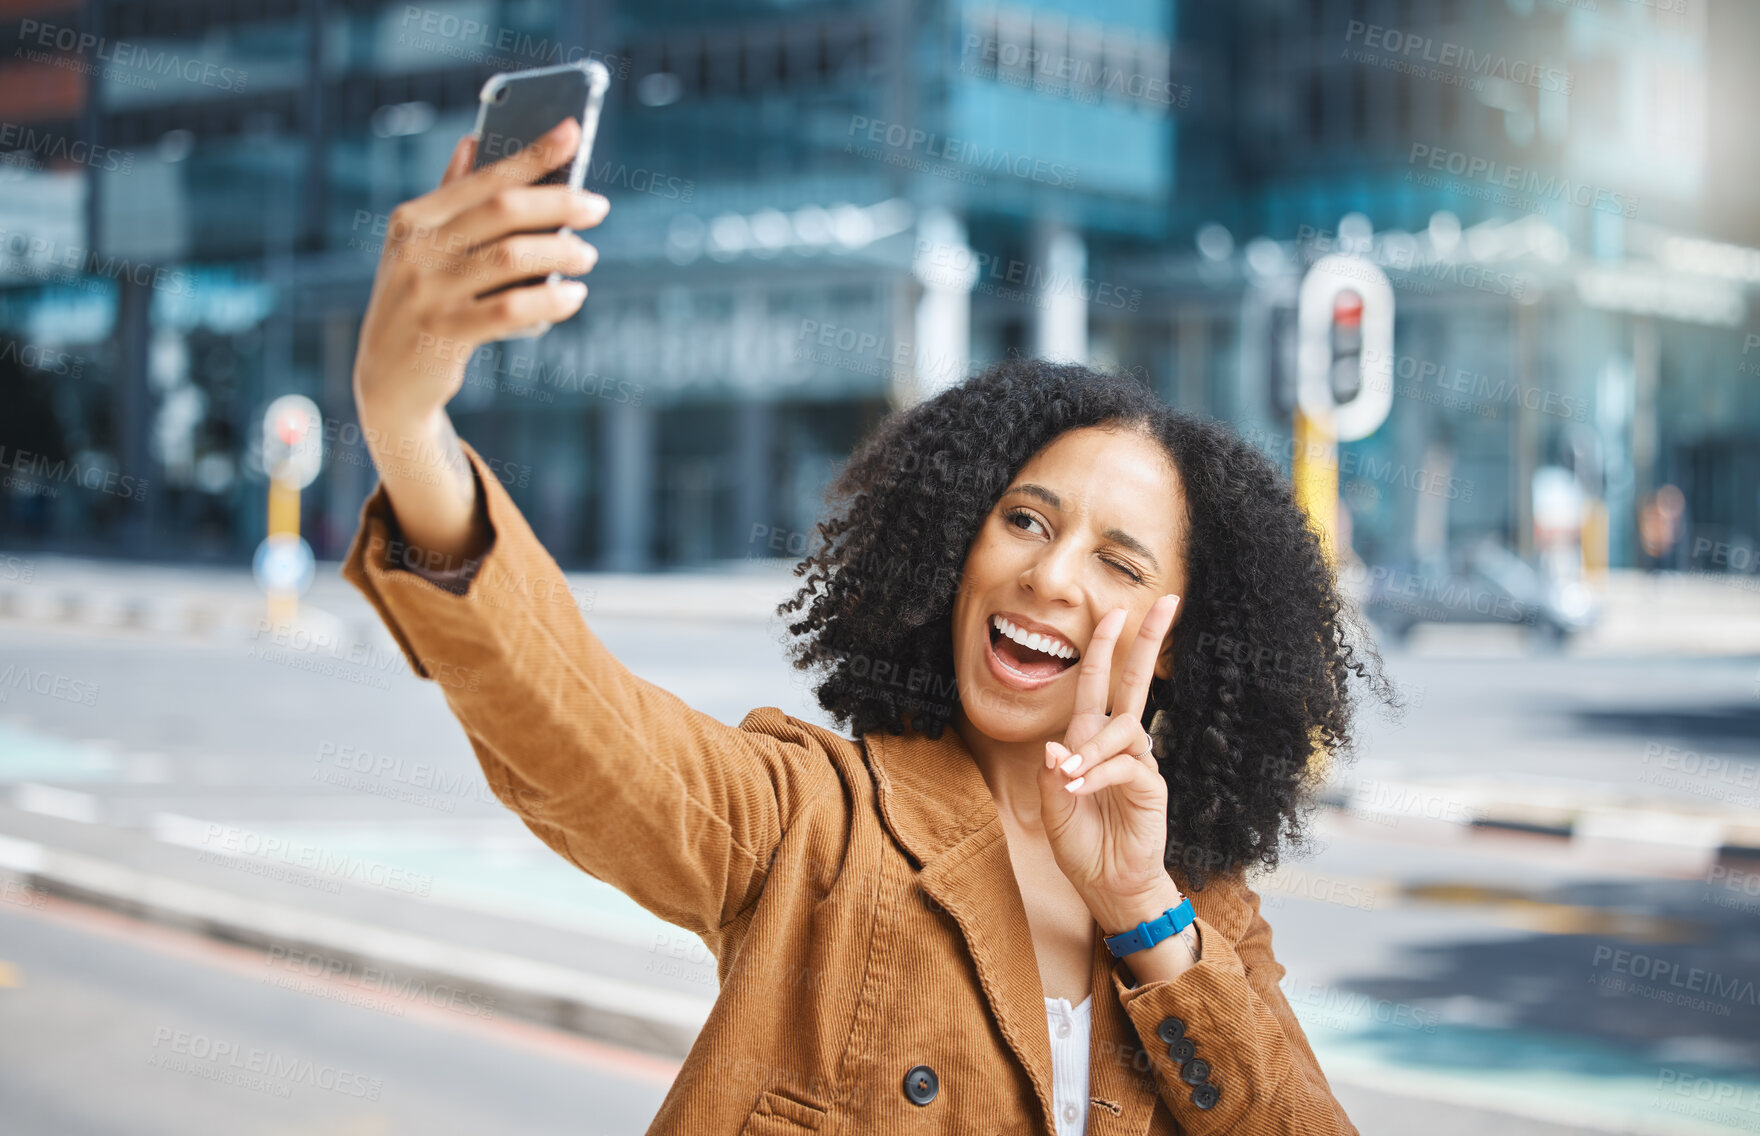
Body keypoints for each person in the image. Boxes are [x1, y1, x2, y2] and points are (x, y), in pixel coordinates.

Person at [343, 118, 1384, 1135]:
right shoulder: (818, 825)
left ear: (1176, 644)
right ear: (950, 548)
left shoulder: (1207, 914)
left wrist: (1141, 907)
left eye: (1117, 561)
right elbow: (580, 733)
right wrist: (405, 422)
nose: (1049, 574)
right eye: (1022, 519)